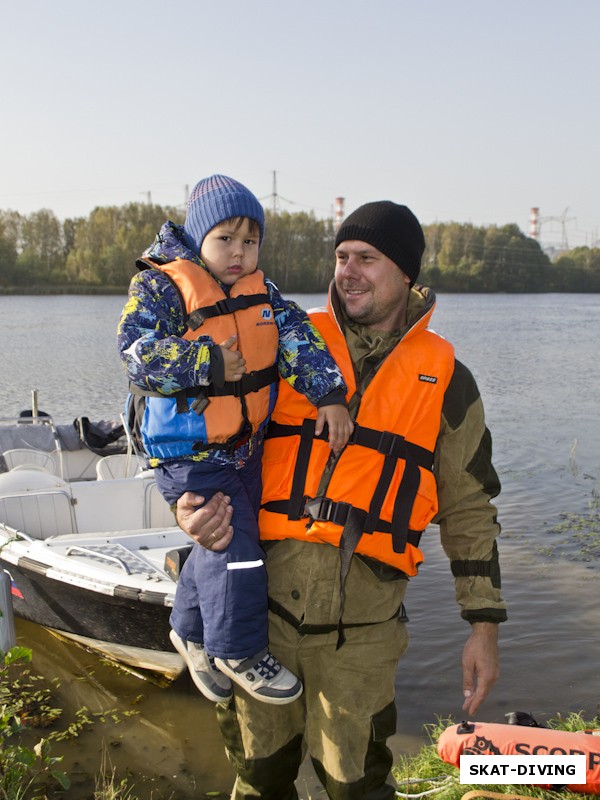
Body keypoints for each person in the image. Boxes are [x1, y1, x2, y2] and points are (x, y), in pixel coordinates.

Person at [175, 199, 508, 800]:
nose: (347, 271)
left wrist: (482, 624)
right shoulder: (279, 338)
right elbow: (198, 425)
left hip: (364, 635)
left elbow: (469, 507)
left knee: (357, 788)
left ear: (406, 273)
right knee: (259, 782)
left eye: (367, 259)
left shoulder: (448, 377)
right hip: (260, 618)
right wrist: (187, 506)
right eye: (341, 256)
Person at [118, 175, 353, 706]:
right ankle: (238, 649)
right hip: (190, 453)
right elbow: (135, 353)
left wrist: (329, 395)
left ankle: (189, 631)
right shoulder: (160, 287)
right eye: (226, 239)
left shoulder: (262, 293)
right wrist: (207, 361)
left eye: (251, 242)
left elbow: (298, 341)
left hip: (245, 448)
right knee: (236, 546)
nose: (239, 253)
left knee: (213, 545)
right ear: (200, 237)